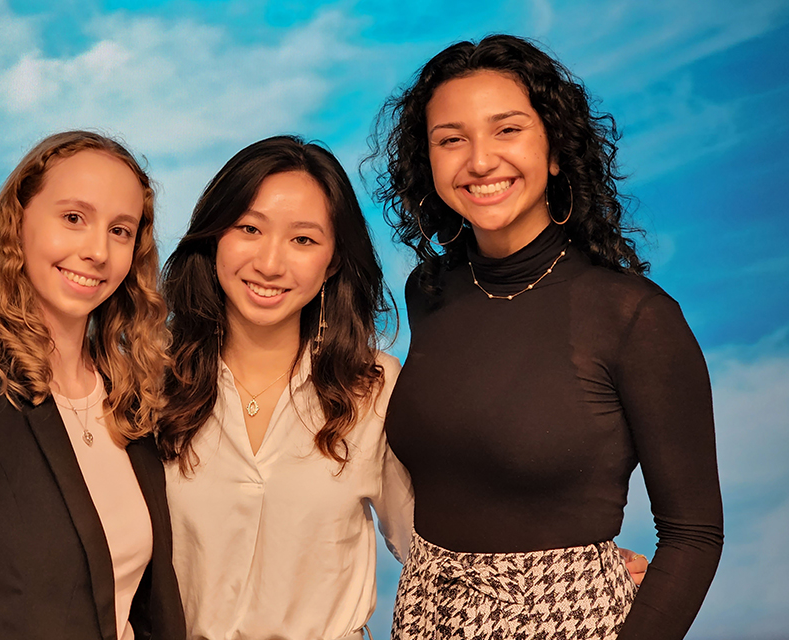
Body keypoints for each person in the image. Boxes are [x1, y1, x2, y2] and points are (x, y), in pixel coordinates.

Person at [368, 35, 724, 639]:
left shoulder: (634, 316)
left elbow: (694, 534)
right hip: (426, 616)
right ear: (427, 163)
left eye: (507, 130)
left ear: (556, 150)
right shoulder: (429, 291)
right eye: (451, 139)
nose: (479, 161)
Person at [0, 131, 186, 640]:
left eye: (120, 230)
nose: (97, 250)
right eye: (74, 218)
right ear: (17, 221)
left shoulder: (129, 399)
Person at [155, 135, 414, 640]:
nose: (270, 264)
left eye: (303, 240)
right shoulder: (149, 377)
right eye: (249, 228)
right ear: (214, 238)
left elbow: (433, 543)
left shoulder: (373, 387)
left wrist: (584, 560)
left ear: (333, 260)